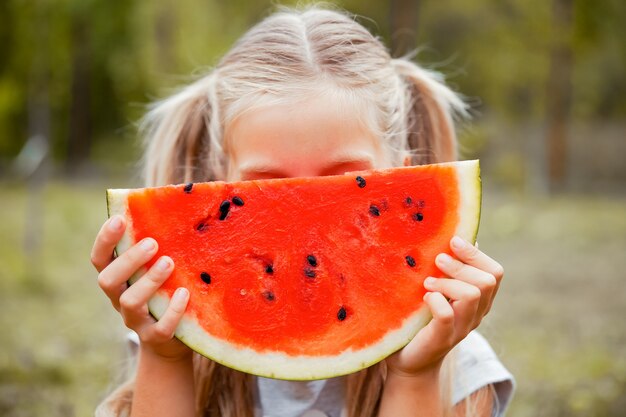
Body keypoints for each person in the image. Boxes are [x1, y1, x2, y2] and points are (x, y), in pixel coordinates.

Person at [91, 6, 514, 417]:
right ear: (217, 184)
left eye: (346, 181)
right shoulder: (174, 332)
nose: (305, 217)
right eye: (269, 186)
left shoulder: (460, 366)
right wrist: (165, 356)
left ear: (404, 181)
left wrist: (416, 372)